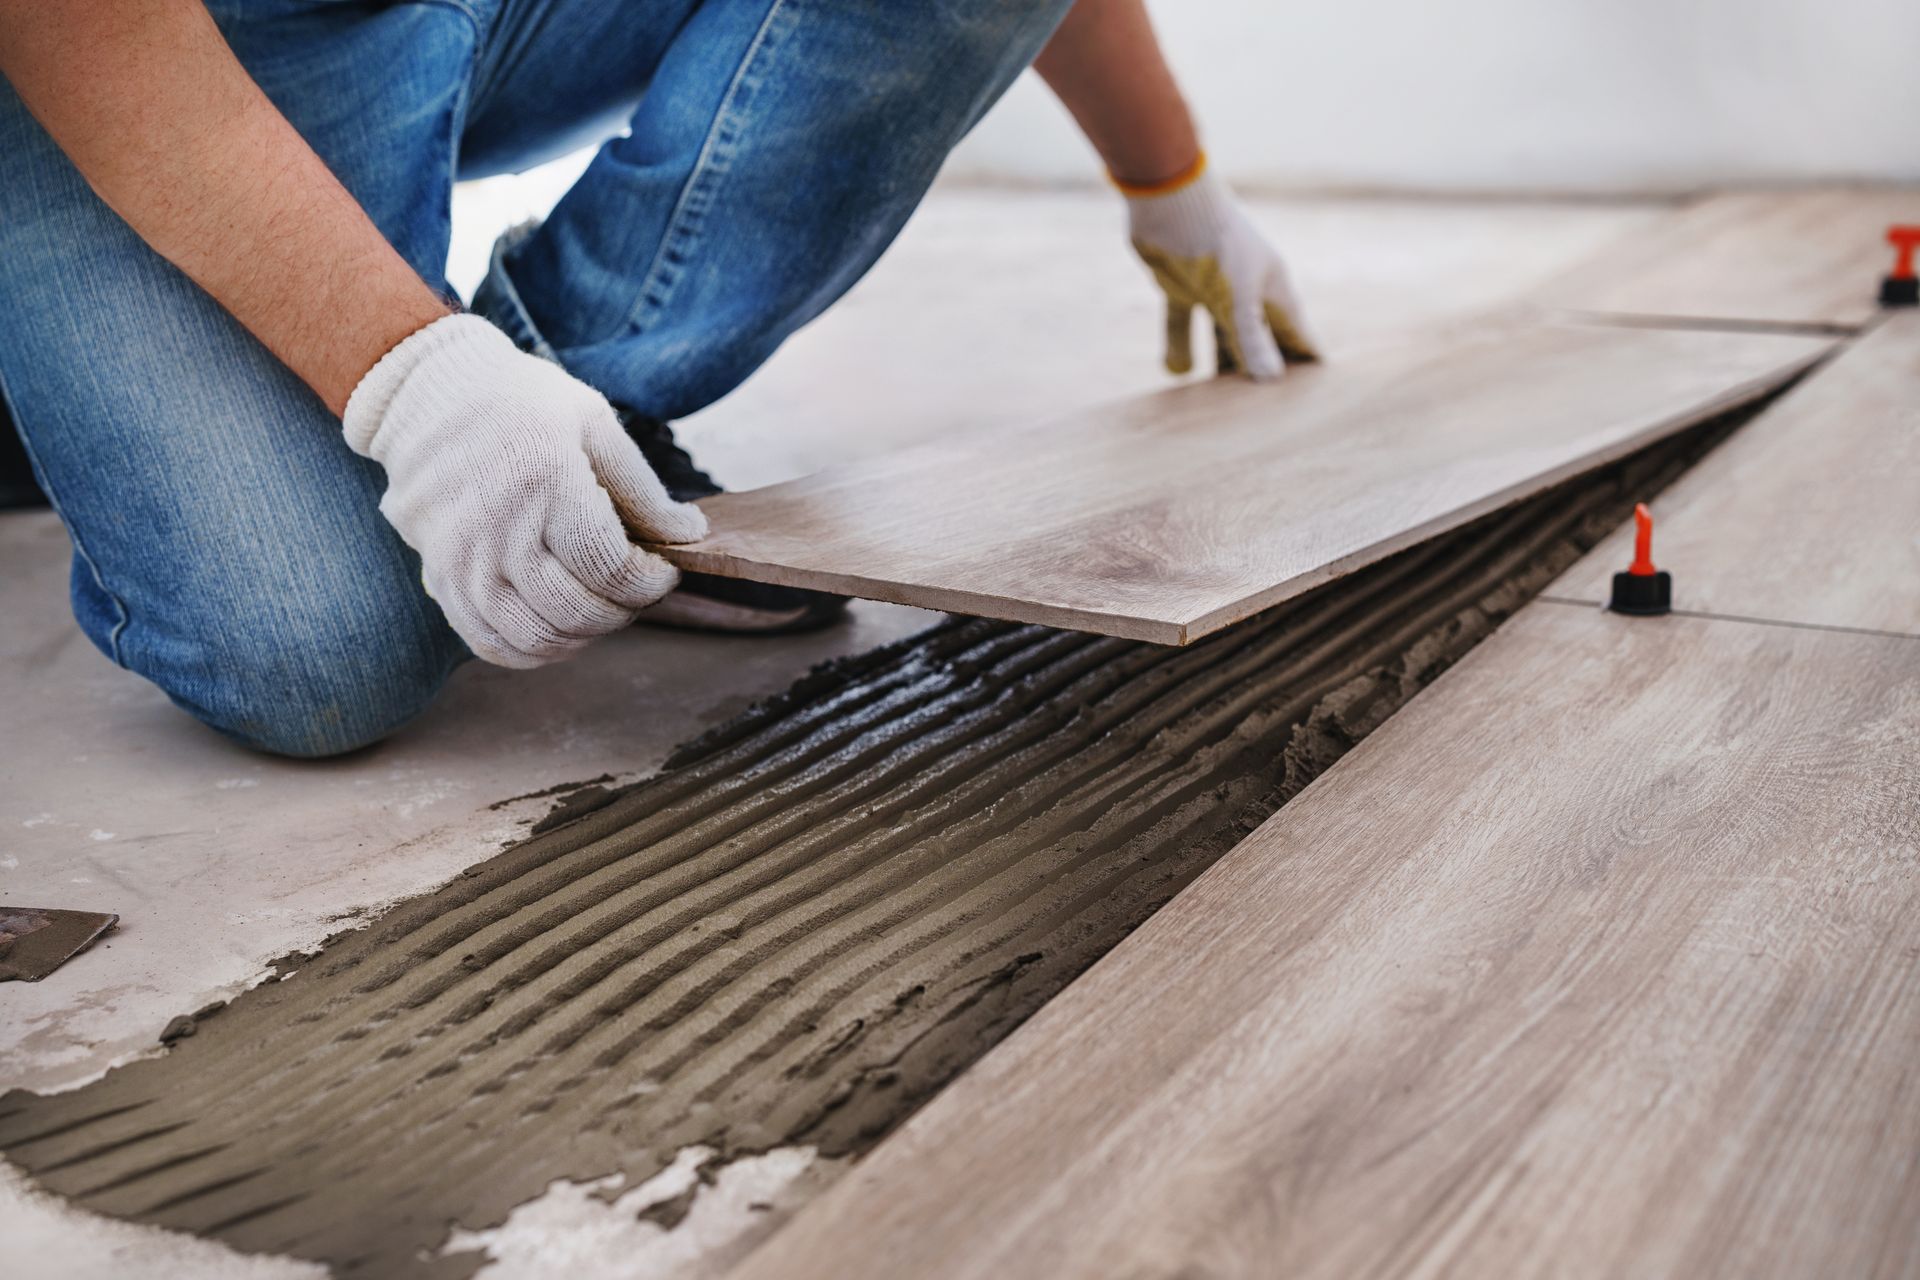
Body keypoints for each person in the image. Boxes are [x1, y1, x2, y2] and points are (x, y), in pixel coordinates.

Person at [0, 0, 1314, 758]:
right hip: (141, 46)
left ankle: (575, 400)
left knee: (432, 563)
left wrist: (1170, 180)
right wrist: (411, 384)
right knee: (324, 656)